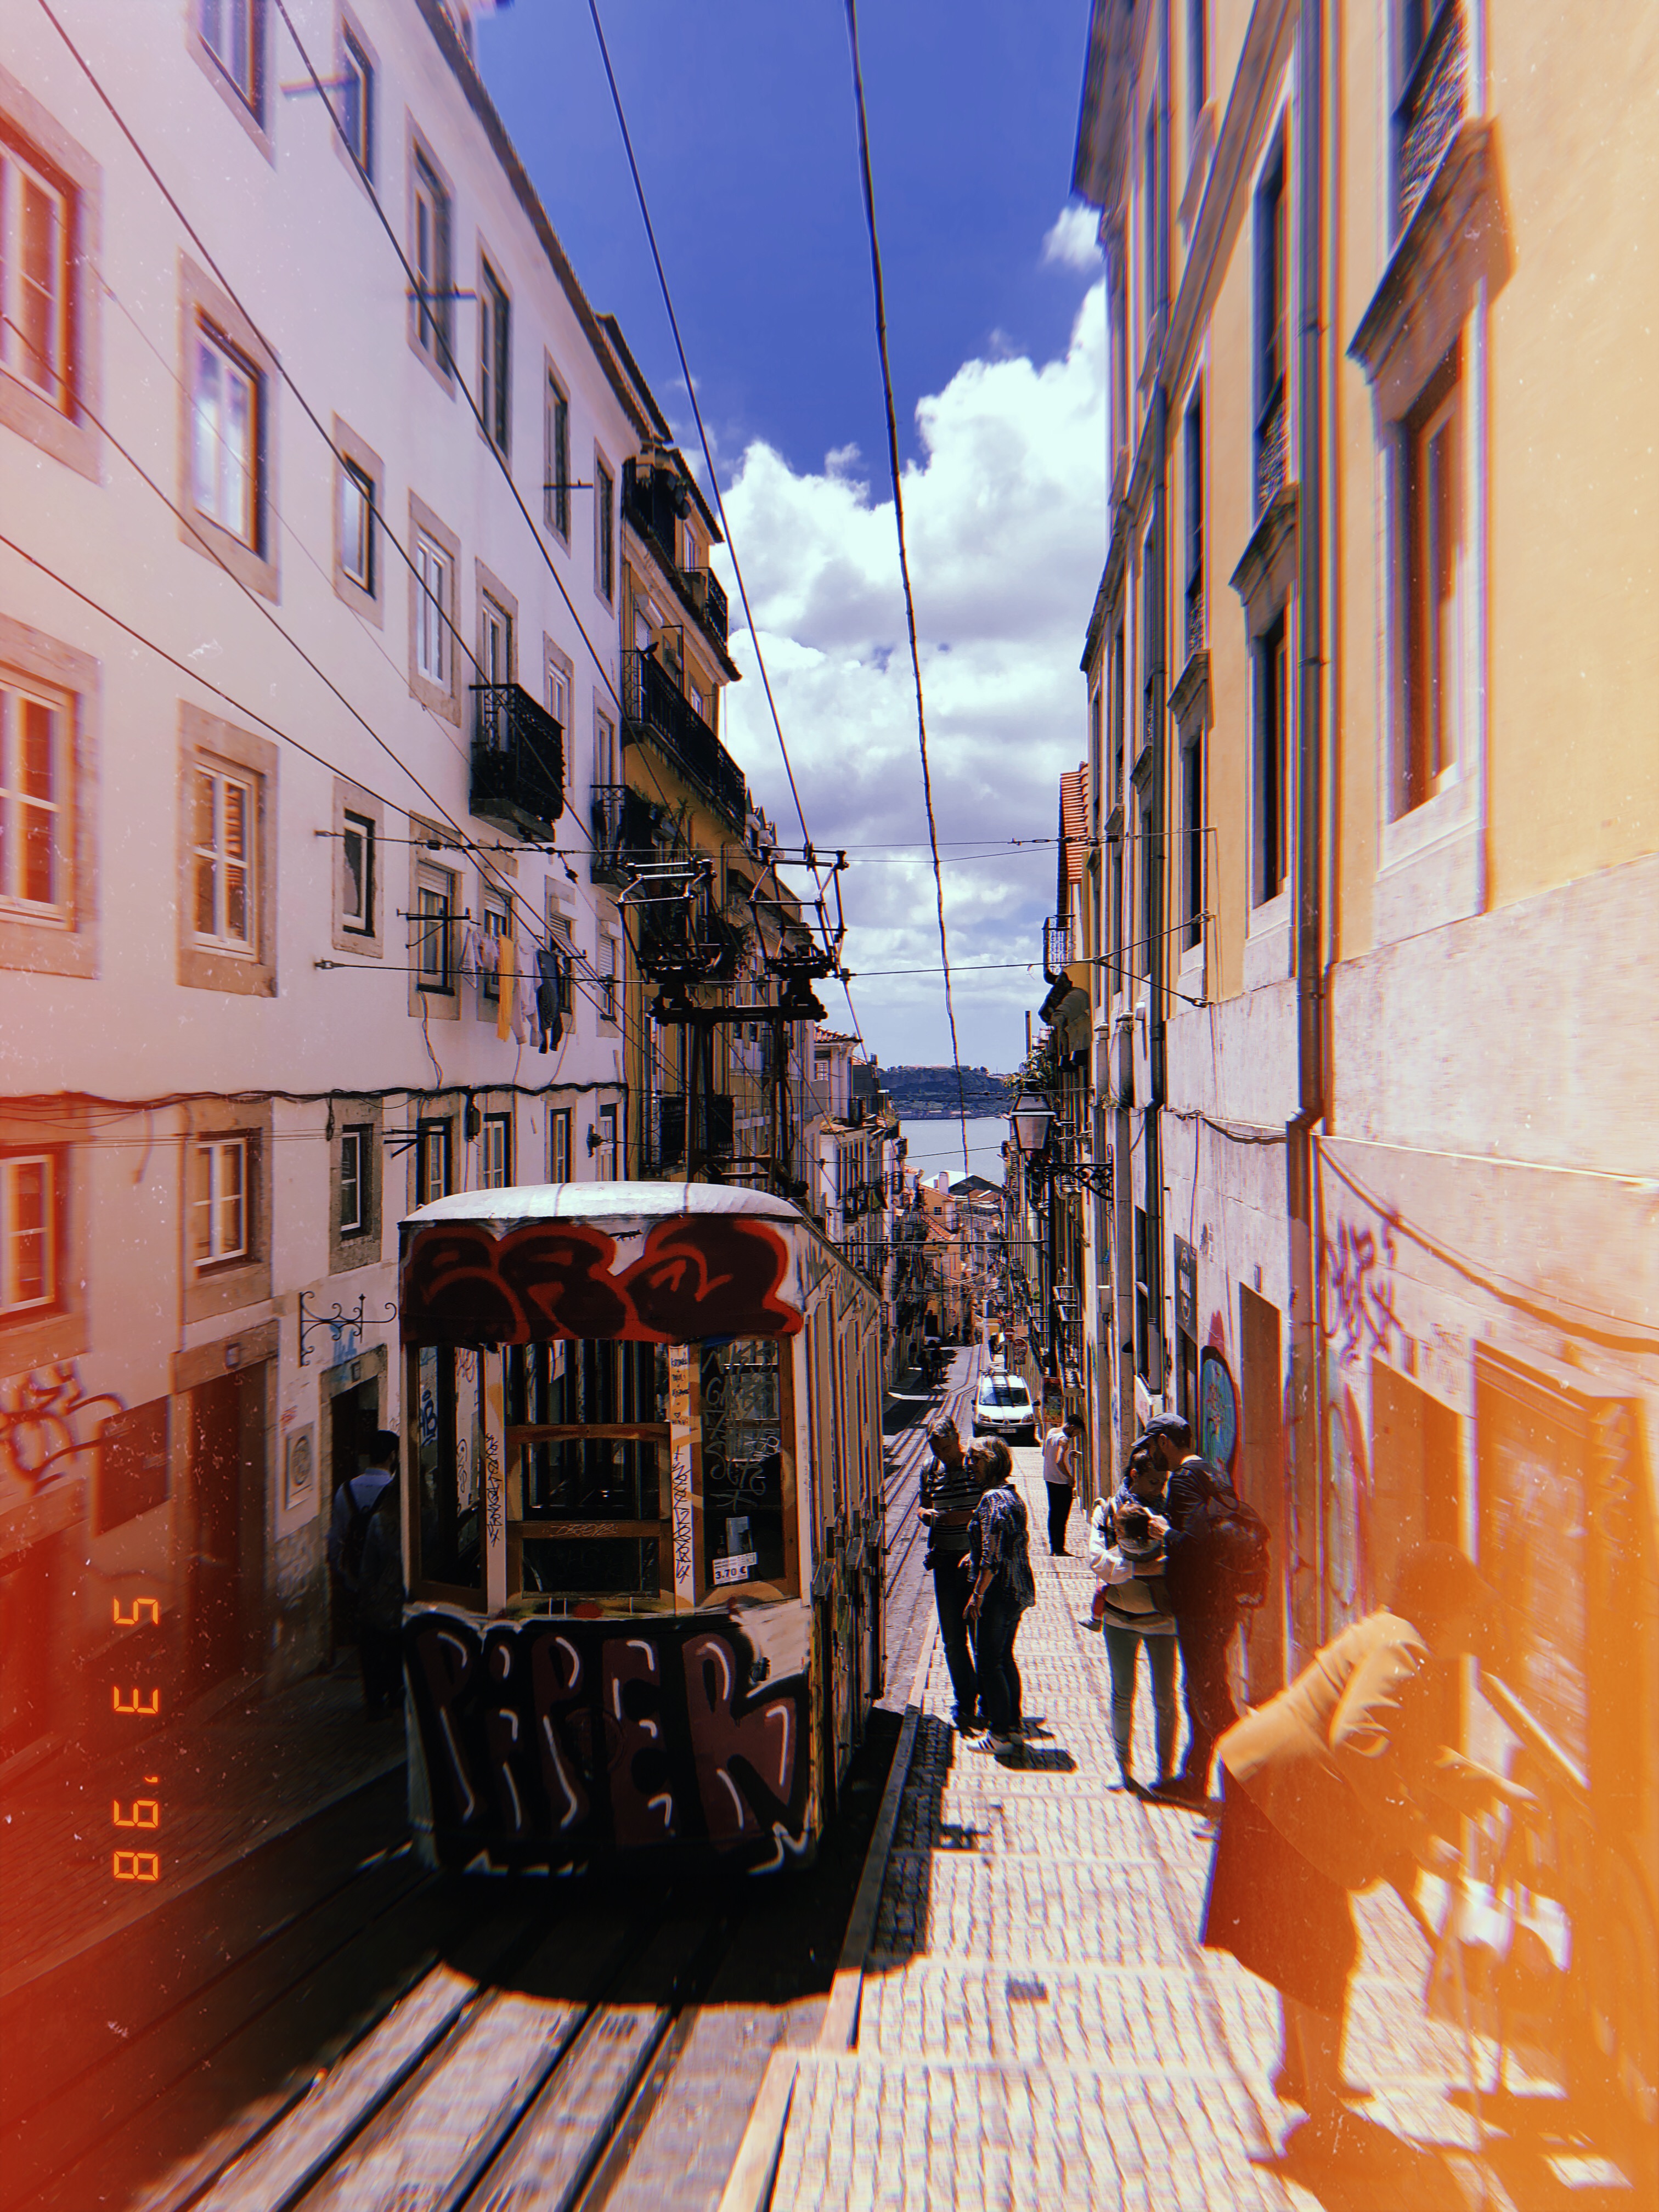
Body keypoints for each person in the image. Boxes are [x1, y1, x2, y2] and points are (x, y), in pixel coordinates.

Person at [1200, 1541, 1534, 2141]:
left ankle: (1302, 2072)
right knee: (1325, 1950)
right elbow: (1358, 1738)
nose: (1478, 1627)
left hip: (1271, 1782)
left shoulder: (1392, 1635)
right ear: (1442, 1608)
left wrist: (1491, 1787)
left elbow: (1409, 1752)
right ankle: (1326, 2115)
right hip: (1285, 1791)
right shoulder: (1404, 1648)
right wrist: (1418, 1836)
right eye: (1471, 1611)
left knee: (1306, 1945)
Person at [1142, 1411, 1239, 1803]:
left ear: (1165, 1442)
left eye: (1152, 1446)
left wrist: (1165, 1533)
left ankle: (1246, 1789)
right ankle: (1195, 1780)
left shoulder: (1183, 1480)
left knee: (1210, 1699)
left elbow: (1198, 1547)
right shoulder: (1213, 1473)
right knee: (1201, 1692)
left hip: (1200, 1607)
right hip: (1221, 1603)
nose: (1150, 1454)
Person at [1087, 1448, 1179, 1791]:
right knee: (1122, 1693)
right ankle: (1122, 1766)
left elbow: (1181, 1557)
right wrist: (1144, 1569)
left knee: (1165, 1698)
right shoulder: (1109, 1511)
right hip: (1120, 1618)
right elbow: (1097, 1560)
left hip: (1162, 1619)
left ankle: (1165, 1771)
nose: (1159, 1489)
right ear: (1134, 1476)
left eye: (1163, 1482)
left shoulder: (1168, 1514)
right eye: (1154, 1482)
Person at [962, 1439, 1036, 1759]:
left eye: (975, 1459)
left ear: (991, 1461)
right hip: (1017, 1590)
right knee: (1004, 1658)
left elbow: (992, 1557)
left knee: (989, 1663)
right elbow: (1007, 1542)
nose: (969, 1465)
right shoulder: (1012, 1496)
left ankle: (1000, 1733)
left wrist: (977, 1596)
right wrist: (973, 1554)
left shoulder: (992, 1500)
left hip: (997, 1593)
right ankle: (1014, 1727)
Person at [917, 1416, 990, 1732]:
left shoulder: (976, 1465)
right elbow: (923, 1505)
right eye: (936, 1450)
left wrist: (953, 1518)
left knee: (979, 1635)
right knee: (952, 1639)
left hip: (975, 1562)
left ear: (957, 1439)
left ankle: (988, 1699)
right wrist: (927, 1515)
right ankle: (965, 1700)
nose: (942, 1456)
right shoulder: (930, 1469)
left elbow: (989, 1509)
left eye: (946, 1449)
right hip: (946, 1563)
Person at [327, 1430, 400, 1719]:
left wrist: (343, 1574)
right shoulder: (395, 1490)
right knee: (392, 1638)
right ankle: (393, 1691)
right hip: (390, 1582)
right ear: (393, 1456)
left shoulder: (345, 1491)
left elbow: (336, 1538)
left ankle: (373, 1697)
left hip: (357, 1579)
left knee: (368, 1639)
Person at [355, 1471, 405, 1720]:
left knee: (376, 1648)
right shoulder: (427, 1519)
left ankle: (376, 1698)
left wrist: (370, 1596)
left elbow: (367, 1568)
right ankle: (396, 1693)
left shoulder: (379, 1521)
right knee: (397, 1651)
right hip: (406, 1599)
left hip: (383, 1598)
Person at [1040, 1413, 1083, 1554]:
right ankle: (1059, 1549)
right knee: (1062, 1516)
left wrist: (1069, 1454)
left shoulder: (1052, 1432)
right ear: (1072, 1427)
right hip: (1061, 1482)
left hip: (1050, 1478)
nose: (1076, 1436)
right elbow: (1059, 1461)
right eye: (1077, 1432)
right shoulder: (1064, 1440)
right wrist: (1069, 1477)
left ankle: (1054, 1547)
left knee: (1054, 1514)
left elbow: (1046, 1453)